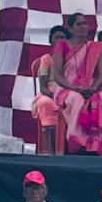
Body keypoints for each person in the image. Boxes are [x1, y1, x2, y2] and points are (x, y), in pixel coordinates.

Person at [52, 13, 102, 156]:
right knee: (77, 99)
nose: (83, 27)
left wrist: (94, 88)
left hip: (91, 88)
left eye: (85, 23)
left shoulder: (97, 47)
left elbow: (101, 74)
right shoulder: (62, 45)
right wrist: (72, 87)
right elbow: (57, 75)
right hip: (66, 89)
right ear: (70, 29)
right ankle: (78, 144)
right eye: (79, 24)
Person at [32, 25, 72, 155]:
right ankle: (49, 151)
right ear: (51, 41)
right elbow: (43, 86)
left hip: (69, 93)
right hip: (49, 95)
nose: (60, 40)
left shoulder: (74, 58)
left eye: (63, 37)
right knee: (45, 103)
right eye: (56, 37)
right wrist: (53, 96)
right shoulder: (46, 59)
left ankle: (69, 150)